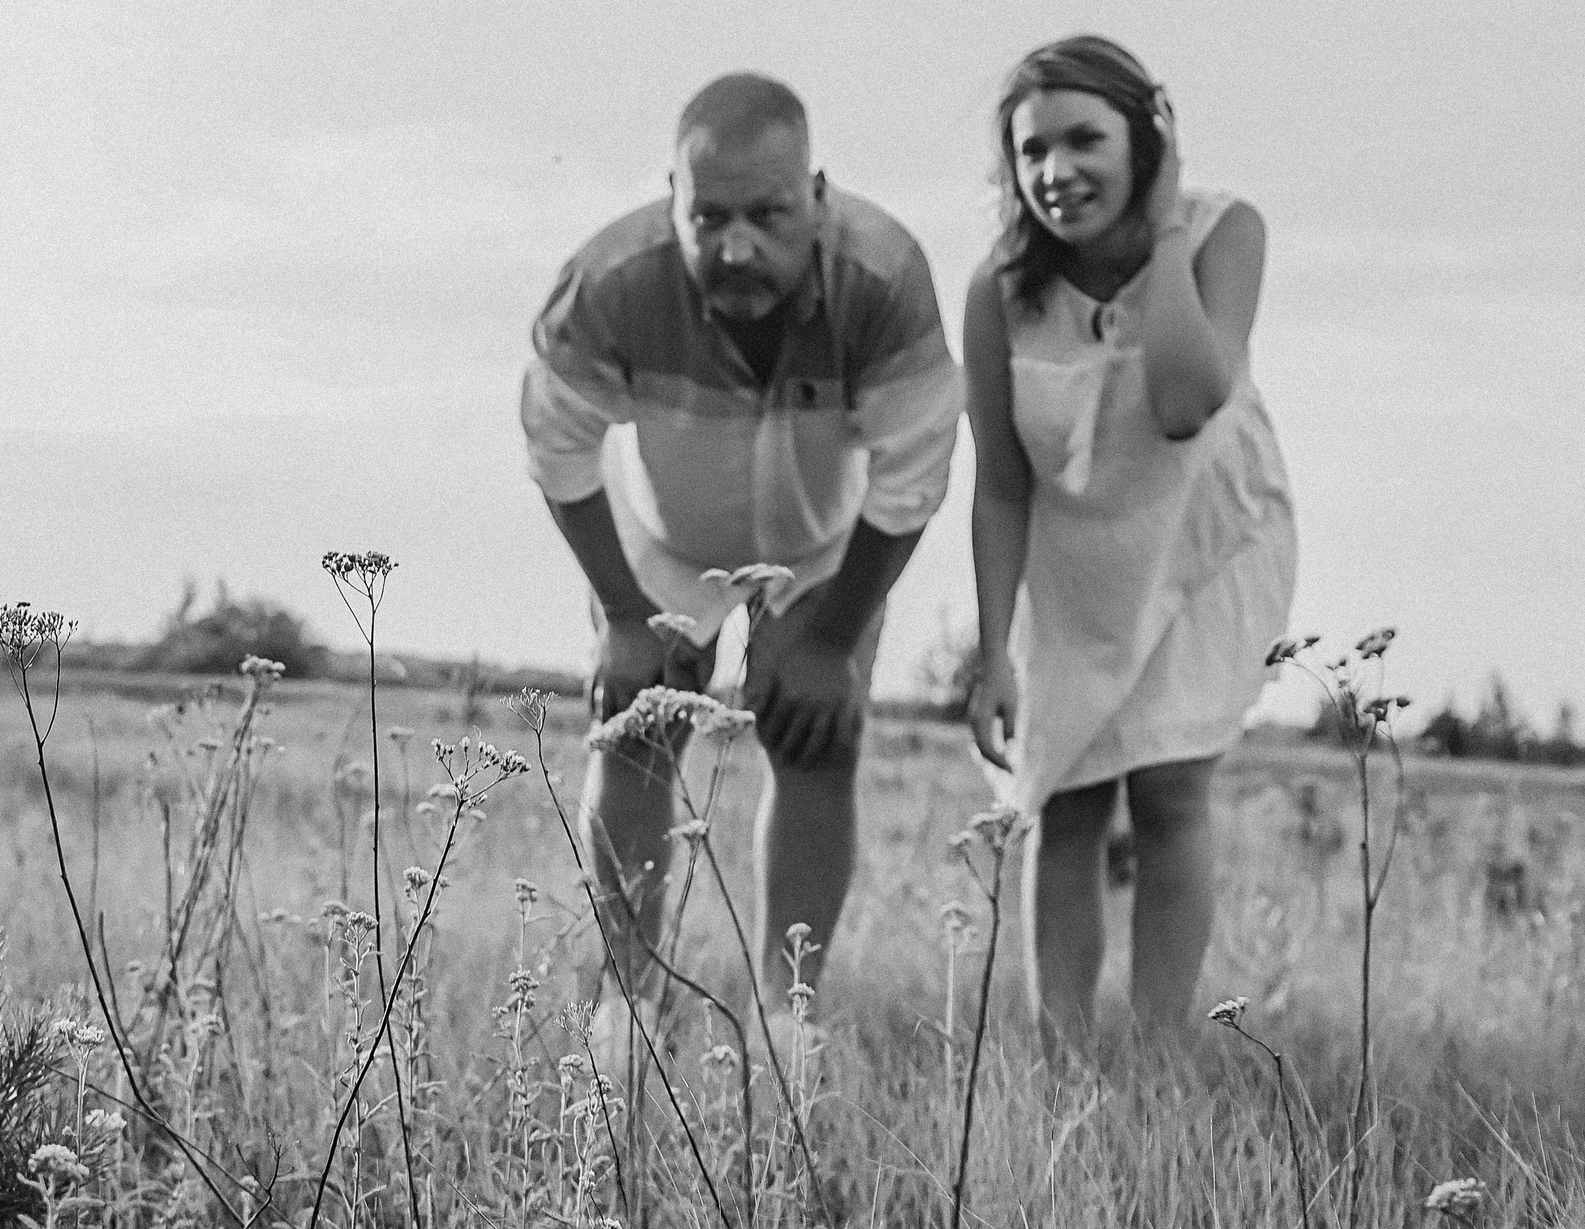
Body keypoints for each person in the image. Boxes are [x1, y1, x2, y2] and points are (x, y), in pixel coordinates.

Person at [521, 72, 963, 1054]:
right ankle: (628, 1005)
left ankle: (784, 1016)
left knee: (815, 736)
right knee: (632, 726)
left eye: (765, 214)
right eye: (707, 215)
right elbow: (557, 445)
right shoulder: (609, 279)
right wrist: (627, 615)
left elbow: (911, 476)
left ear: (815, 193)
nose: (734, 246)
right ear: (669, 197)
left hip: (821, 545)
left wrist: (832, 642)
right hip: (660, 542)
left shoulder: (883, 275)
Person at [963, 36, 1297, 1043]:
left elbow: (1187, 400)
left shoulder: (1223, 231)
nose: (1056, 172)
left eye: (1084, 140)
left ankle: (1158, 1062)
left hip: (1200, 548)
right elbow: (999, 482)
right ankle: (1061, 1063)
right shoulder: (999, 290)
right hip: (1072, 569)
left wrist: (1161, 241)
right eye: (1032, 153)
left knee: (1167, 792)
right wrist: (990, 653)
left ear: (1145, 138)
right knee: (1062, 804)